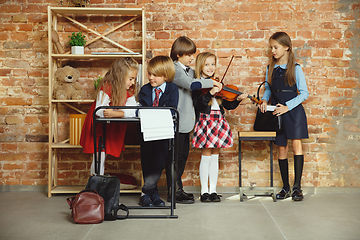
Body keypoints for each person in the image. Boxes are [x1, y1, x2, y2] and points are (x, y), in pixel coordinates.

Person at [165, 36, 222, 204]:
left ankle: (178, 189)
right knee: (174, 158)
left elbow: (196, 80)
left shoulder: (189, 70)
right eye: (189, 54)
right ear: (178, 55)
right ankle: (173, 192)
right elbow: (191, 84)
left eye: (193, 54)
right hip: (176, 120)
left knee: (182, 157)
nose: (192, 57)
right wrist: (212, 82)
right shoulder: (174, 69)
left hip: (187, 121)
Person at [259, 32, 309, 201]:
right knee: (281, 148)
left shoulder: (295, 68)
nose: (273, 50)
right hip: (277, 113)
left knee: (296, 146)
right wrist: (264, 100)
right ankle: (285, 187)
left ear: (286, 47)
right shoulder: (270, 68)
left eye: (276, 47)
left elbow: (304, 93)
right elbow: (268, 89)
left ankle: (297, 188)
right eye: (271, 47)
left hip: (293, 112)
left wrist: (288, 107)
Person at [192, 52, 247, 202]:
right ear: (200, 66)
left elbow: (228, 104)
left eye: (213, 64)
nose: (210, 67)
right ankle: (204, 191)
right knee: (206, 156)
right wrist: (210, 92)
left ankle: (213, 190)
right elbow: (199, 104)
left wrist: (238, 100)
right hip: (206, 122)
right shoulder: (198, 85)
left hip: (219, 121)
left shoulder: (218, 84)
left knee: (215, 157)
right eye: (207, 64)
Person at [80, 57, 139, 175]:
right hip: (99, 126)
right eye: (131, 79)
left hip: (111, 124)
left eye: (134, 79)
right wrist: (117, 114)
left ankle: (97, 184)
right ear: (120, 75)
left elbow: (132, 111)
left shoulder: (129, 91)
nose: (132, 82)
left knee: (103, 156)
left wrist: (116, 114)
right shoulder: (107, 87)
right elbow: (100, 111)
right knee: (99, 157)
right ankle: (95, 185)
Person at [137, 55, 179, 207]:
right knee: (147, 162)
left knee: (159, 163)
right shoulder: (144, 90)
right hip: (146, 132)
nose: (151, 77)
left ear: (166, 75)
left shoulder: (172, 89)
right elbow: (140, 109)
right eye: (149, 74)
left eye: (155, 75)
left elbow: (172, 110)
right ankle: (152, 194)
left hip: (163, 132)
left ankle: (146, 191)